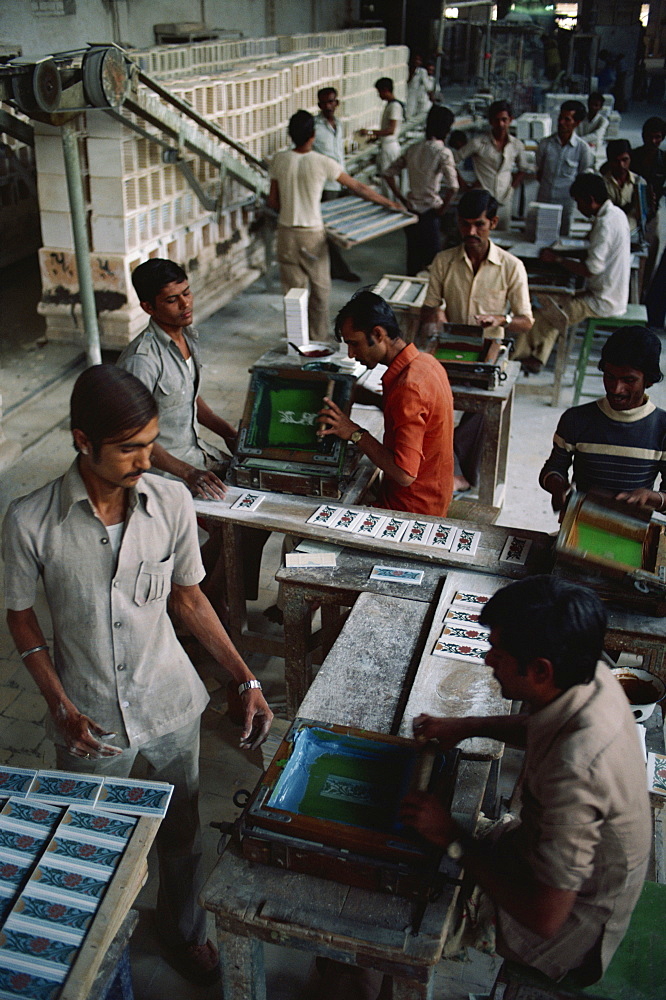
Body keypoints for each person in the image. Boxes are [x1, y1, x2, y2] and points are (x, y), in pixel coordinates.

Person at [2, 365, 273, 986]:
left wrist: (245, 680)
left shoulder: (171, 501)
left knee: (183, 836)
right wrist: (58, 704)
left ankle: (185, 932)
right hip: (90, 725)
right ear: (82, 441)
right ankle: (102, 965)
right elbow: (21, 620)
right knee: (93, 851)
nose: (144, 459)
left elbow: (190, 599)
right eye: (129, 448)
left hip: (171, 707)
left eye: (150, 442)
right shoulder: (29, 522)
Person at [402, 576, 651, 988]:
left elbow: (544, 917)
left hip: (569, 930)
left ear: (539, 670)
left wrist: (451, 835)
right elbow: (540, 725)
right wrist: (466, 726)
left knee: (396, 902)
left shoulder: (575, 773)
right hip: (541, 856)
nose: (487, 660)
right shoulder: (591, 672)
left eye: (498, 653)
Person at [117, 258, 266, 606]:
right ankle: (195, 609)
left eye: (187, 293)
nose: (186, 305)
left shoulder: (188, 338)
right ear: (148, 307)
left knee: (260, 505)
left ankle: (223, 597)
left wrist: (231, 435)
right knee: (235, 528)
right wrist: (189, 473)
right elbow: (136, 438)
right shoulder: (142, 359)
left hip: (196, 457)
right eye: (173, 300)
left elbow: (191, 399)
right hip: (160, 475)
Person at [418, 190, 534, 491]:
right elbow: (431, 307)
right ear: (457, 223)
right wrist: (439, 324)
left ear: (493, 222)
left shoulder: (511, 266)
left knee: (481, 413)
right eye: (465, 224)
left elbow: (526, 320)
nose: (471, 232)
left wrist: (502, 320)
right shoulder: (443, 261)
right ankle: (449, 471)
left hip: (489, 354)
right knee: (428, 404)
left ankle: (460, 473)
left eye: (479, 225)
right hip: (450, 347)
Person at [267, 110, 400, 342]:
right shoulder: (322, 162)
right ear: (313, 135)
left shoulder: (279, 159)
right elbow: (358, 187)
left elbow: (273, 202)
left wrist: (292, 208)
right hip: (312, 235)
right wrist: (390, 203)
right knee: (319, 291)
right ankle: (317, 340)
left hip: (286, 233)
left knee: (293, 294)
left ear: (290, 134)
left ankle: (296, 342)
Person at [318, 290, 454, 517]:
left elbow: (404, 473)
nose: (351, 354)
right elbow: (406, 412)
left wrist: (355, 433)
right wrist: (364, 395)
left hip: (411, 510)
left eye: (355, 344)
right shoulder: (425, 363)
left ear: (378, 334)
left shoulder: (408, 387)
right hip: (433, 493)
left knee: (298, 537)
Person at [540, 326, 666, 514]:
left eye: (629, 380)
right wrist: (558, 486)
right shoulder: (576, 419)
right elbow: (553, 468)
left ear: (649, 380)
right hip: (580, 523)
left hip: (634, 531)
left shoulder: (662, 427)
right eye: (610, 376)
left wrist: (653, 498)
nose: (616, 388)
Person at [512, 173, 630, 373]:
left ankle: (516, 357)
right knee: (553, 306)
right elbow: (592, 250)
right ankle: (537, 358)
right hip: (606, 292)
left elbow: (591, 269)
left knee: (543, 315)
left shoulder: (605, 224)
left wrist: (558, 260)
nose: (578, 207)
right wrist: (561, 253)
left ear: (591, 200)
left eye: (579, 202)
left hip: (603, 300)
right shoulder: (615, 214)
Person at [384, 105, 459, 274]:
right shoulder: (443, 152)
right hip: (430, 213)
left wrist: (401, 198)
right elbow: (454, 187)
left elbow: (388, 174)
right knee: (432, 265)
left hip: (411, 212)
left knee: (413, 260)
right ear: (446, 129)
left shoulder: (413, 148)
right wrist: (443, 208)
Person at [454, 100, 529, 231]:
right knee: (481, 238)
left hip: (504, 200)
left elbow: (523, 168)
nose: (501, 124)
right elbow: (452, 161)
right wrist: (464, 185)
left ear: (510, 120)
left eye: (504, 120)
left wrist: (512, 187)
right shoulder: (478, 143)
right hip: (482, 202)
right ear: (491, 121)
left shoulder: (516, 145)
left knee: (503, 238)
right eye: (497, 120)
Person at [313, 87, 360, 282]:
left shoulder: (338, 125)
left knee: (335, 227)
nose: (328, 106)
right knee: (328, 231)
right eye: (324, 103)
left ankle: (332, 267)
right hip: (325, 184)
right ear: (319, 105)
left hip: (339, 180)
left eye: (331, 102)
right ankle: (338, 270)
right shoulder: (314, 126)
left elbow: (338, 153)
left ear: (336, 103)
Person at [536, 99, 594, 236]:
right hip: (544, 199)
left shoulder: (582, 148)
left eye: (567, 119)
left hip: (565, 204)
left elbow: (583, 176)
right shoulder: (545, 144)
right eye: (560, 118)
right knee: (541, 234)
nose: (561, 122)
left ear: (577, 123)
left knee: (562, 238)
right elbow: (539, 171)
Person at [631, 116, 666, 290]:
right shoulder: (633, 156)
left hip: (652, 214)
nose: (653, 141)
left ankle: (644, 290)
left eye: (658, 137)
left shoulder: (664, 160)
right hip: (630, 212)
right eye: (650, 137)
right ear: (643, 136)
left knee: (652, 251)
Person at [361, 78, 404, 196]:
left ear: (385, 90)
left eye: (379, 92)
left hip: (390, 147)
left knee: (389, 180)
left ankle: (392, 203)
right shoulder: (390, 105)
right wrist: (375, 138)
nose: (378, 95)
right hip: (387, 145)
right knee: (387, 180)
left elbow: (391, 130)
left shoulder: (394, 106)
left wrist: (369, 132)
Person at [600, 139, 643, 233]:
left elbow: (642, 215)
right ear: (609, 161)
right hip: (608, 229)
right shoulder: (601, 183)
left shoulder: (639, 182)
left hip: (632, 232)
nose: (621, 165)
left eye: (625, 160)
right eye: (616, 161)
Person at [576, 91, 609, 157]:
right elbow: (575, 132)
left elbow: (596, 135)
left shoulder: (603, 121)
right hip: (579, 147)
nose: (593, 107)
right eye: (591, 104)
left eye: (596, 105)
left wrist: (578, 141)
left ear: (601, 107)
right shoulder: (581, 117)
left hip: (595, 150)